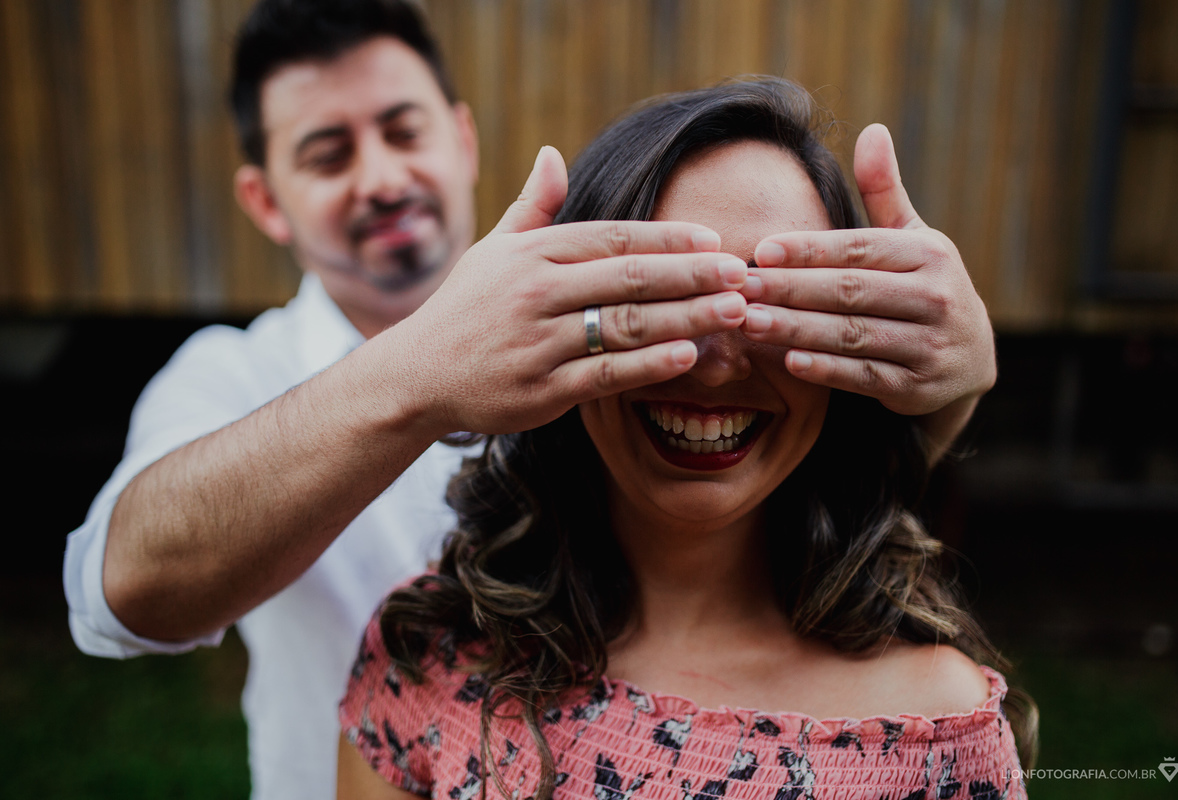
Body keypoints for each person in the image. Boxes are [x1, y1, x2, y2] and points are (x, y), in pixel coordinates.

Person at [63, 0, 996, 798]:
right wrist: (422, 378)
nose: (382, 176)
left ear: (462, 138)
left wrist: (939, 396)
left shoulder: (935, 722)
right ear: (266, 201)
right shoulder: (229, 378)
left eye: (402, 128)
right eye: (327, 152)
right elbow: (126, 590)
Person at [338, 78, 1031, 800]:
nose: (714, 365)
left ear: (850, 349)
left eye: (772, 303)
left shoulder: (935, 729)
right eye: (660, 299)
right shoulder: (432, 658)